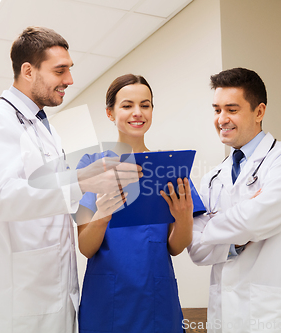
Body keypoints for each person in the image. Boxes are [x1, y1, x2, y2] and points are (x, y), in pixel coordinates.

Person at [0, 27, 141, 333]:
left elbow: (60, 204)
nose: (69, 80)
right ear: (28, 71)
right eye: (60, 71)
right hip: (20, 303)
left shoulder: (46, 130)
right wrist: (82, 182)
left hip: (55, 292)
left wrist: (105, 201)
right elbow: (3, 198)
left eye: (70, 70)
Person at [188, 68, 281, 332]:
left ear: (259, 112)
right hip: (225, 316)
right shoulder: (212, 177)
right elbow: (196, 250)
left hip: (276, 315)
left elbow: (256, 220)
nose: (222, 119)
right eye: (216, 110)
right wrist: (238, 236)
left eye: (232, 109)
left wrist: (211, 229)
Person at [75, 74, 198, 333]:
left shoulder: (169, 167)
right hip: (106, 299)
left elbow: (175, 247)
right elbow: (85, 248)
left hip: (157, 298)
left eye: (145, 104)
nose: (138, 112)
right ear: (110, 113)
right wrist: (103, 215)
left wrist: (184, 217)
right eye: (127, 105)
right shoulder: (92, 166)